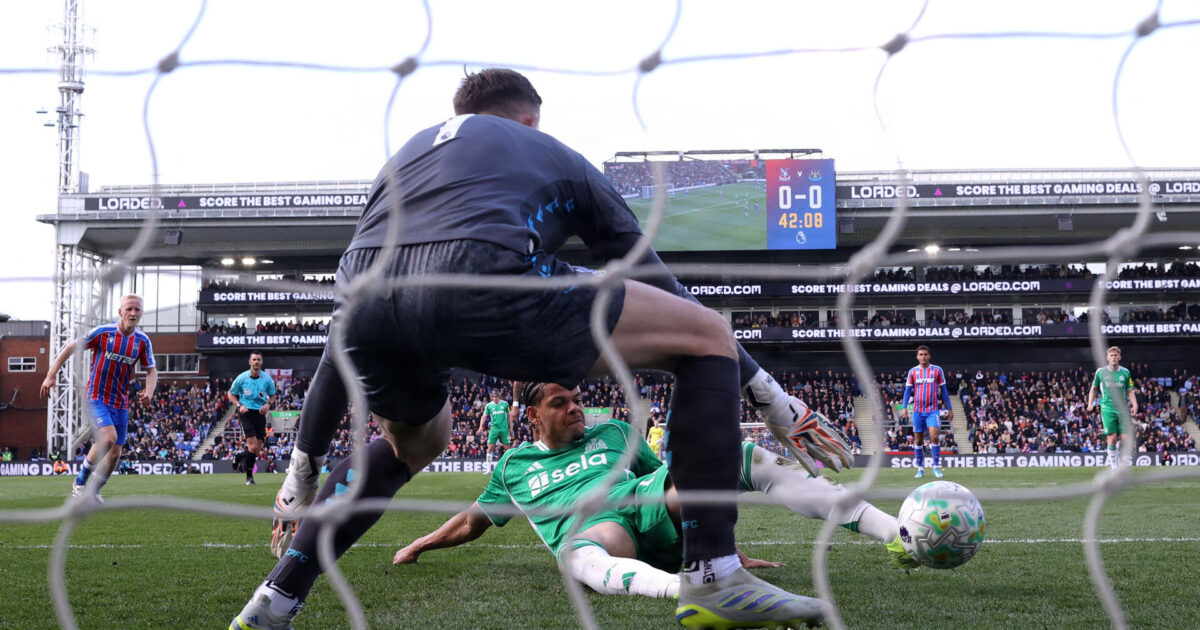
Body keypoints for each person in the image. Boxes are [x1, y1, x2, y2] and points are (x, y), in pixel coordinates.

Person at [235, 68, 846, 630]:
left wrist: (302, 470)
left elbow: (340, 338)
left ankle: (276, 597)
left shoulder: (402, 163)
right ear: (528, 120)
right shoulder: (552, 152)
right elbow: (659, 284)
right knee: (705, 334)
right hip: (487, 277)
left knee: (415, 442)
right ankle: (714, 576)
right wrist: (772, 399)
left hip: (365, 301)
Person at [393, 382, 913, 600]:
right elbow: (471, 521)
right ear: (532, 414)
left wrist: (721, 545)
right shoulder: (513, 466)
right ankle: (681, 591)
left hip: (645, 509)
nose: (576, 408)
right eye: (560, 403)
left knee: (737, 454)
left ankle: (895, 532)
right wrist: (420, 544)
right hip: (603, 534)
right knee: (576, 551)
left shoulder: (614, 432)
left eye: (577, 398)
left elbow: (669, 478)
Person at [39, 294, 157, 502]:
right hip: (96, 396)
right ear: (120, 312)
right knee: (108, 438)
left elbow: (151, 370)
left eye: (137, 310)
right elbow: (69, 348)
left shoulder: (142, 341)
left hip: (120, 402)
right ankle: (80, 482)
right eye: (129, 309)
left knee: (115, 454)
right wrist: (50, 376)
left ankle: (94, 490)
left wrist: (149, 392)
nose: (133, 313)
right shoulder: (103, 333)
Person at [900, 345, 952, 479]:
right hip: (917, 411)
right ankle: (920, 468)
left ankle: (936, 467)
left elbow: (944, 390)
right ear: (917, 357)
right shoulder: (912, 372)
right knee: (918, 440)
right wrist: (904, 407)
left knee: (934, 436)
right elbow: (907, 391)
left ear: (929, 356)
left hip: (932, 410)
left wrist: (949, 408)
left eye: (925, 354)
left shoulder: (937, 370)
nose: (923, 356)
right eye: (921, 354)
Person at [227, 351, 277, 486]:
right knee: (253, 446)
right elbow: (231, 395)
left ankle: (239, 456)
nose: (256, 362)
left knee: (257, 449)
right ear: (250, 362)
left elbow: (272, 396)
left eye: (258, 360)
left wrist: (268, 404)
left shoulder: (267, 379)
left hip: (260, 414)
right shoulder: (242, 378)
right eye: (254, 359)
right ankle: (249, 477)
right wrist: (239, 405)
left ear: (261, 362)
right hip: (246, 412)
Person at [1086, 346, 1138, 470]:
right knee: (1112, 437)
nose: (1113, 357)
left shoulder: (1125, 372)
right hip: (1107, 407)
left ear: (1119, 357)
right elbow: (1094, 388)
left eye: (1115, 355)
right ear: (1107, 358)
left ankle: (1117, 455)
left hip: (1122, 409)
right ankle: (1114, 467)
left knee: (1125, 439)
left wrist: (1135, 404)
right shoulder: (1101, 372)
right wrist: (1090, 403)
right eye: (1111, 355)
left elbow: (1130, 390)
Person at [478, 389, 512, 471]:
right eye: (494, 397)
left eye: (497, 396)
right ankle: (488, 469)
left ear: (499, 396)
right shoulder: (489, 406)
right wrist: (480, 427)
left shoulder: (505, 404)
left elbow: (509, 415)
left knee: (507, 448)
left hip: (504, 429)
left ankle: (508, 467)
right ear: (492, 397)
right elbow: (484, 416)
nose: (495, 398)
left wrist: (511, 427)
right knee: (490, 448)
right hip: (494, 429)